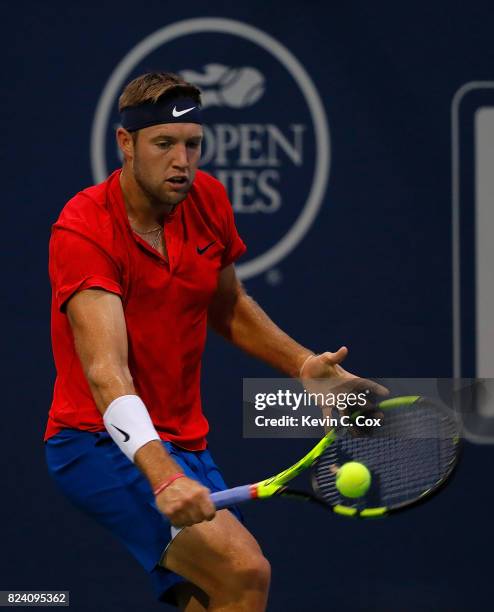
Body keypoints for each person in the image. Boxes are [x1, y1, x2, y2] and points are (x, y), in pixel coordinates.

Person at [45, 72, 379, 611]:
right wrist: (161, 477)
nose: (182, 161)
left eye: (192, 144)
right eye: (164, 144)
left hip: (187, 441)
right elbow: (107, 372)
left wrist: (302, 366)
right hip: (99, 443)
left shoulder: (207, 199)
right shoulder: (84, 228)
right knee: (244, 572)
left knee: (217, 596)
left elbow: (226, 306)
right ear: (126, 144)